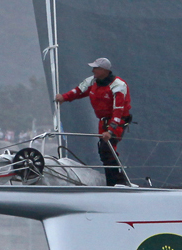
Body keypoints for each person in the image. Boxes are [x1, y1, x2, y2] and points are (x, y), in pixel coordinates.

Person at [55, 57, 132, 186]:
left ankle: (119, 181)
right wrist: (64, 97)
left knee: (107, 149)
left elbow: (118, 110)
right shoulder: (92, 82)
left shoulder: (118, 85)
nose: (93, 70)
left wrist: (110, 130)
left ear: (104, 70)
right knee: (103, 152)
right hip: (103, 122)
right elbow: (78, 91)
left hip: (117, 122)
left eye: (96, 68)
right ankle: (112, 182)